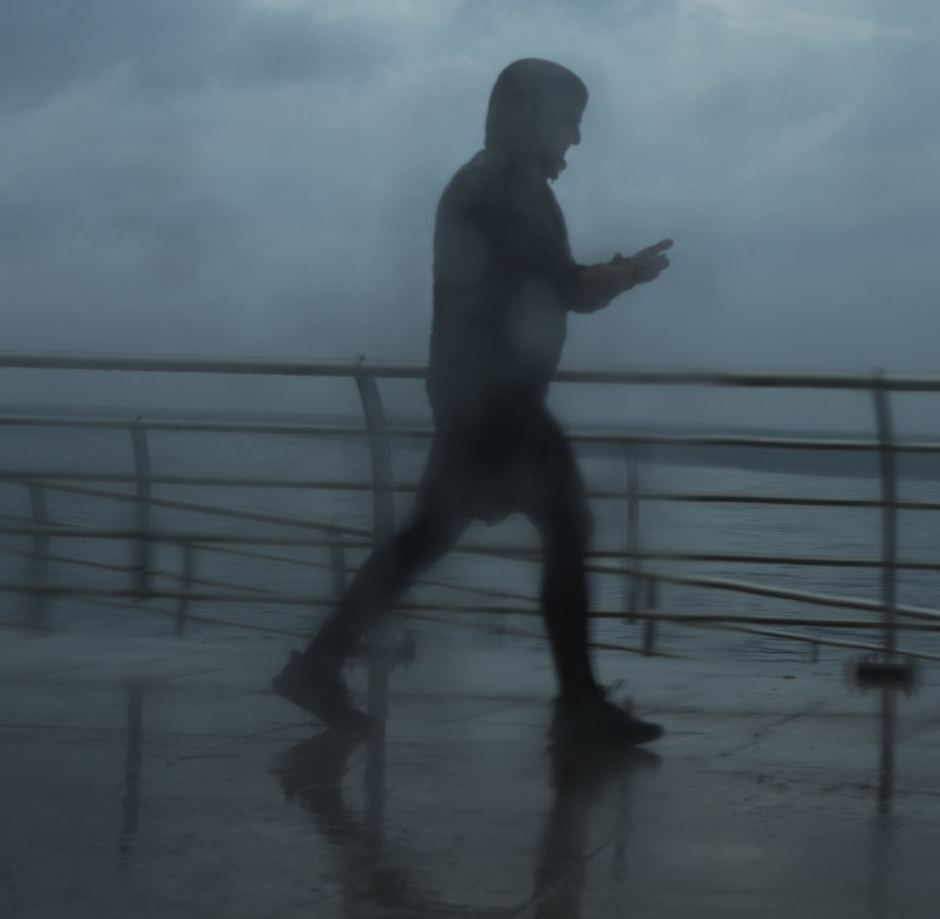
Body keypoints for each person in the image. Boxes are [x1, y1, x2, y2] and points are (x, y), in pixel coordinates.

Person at [274, 58, 673, 745]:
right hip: (496, 399)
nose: (576, 138)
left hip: (476, 394)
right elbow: (562, 286)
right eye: (570, 120)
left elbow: (556, 288)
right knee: (567, 525)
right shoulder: (503, 186)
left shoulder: (497, 182)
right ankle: (578, 705)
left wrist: (614, 277)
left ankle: (318, 664)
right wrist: (625, 275)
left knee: (425, 539)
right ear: (534, 117)